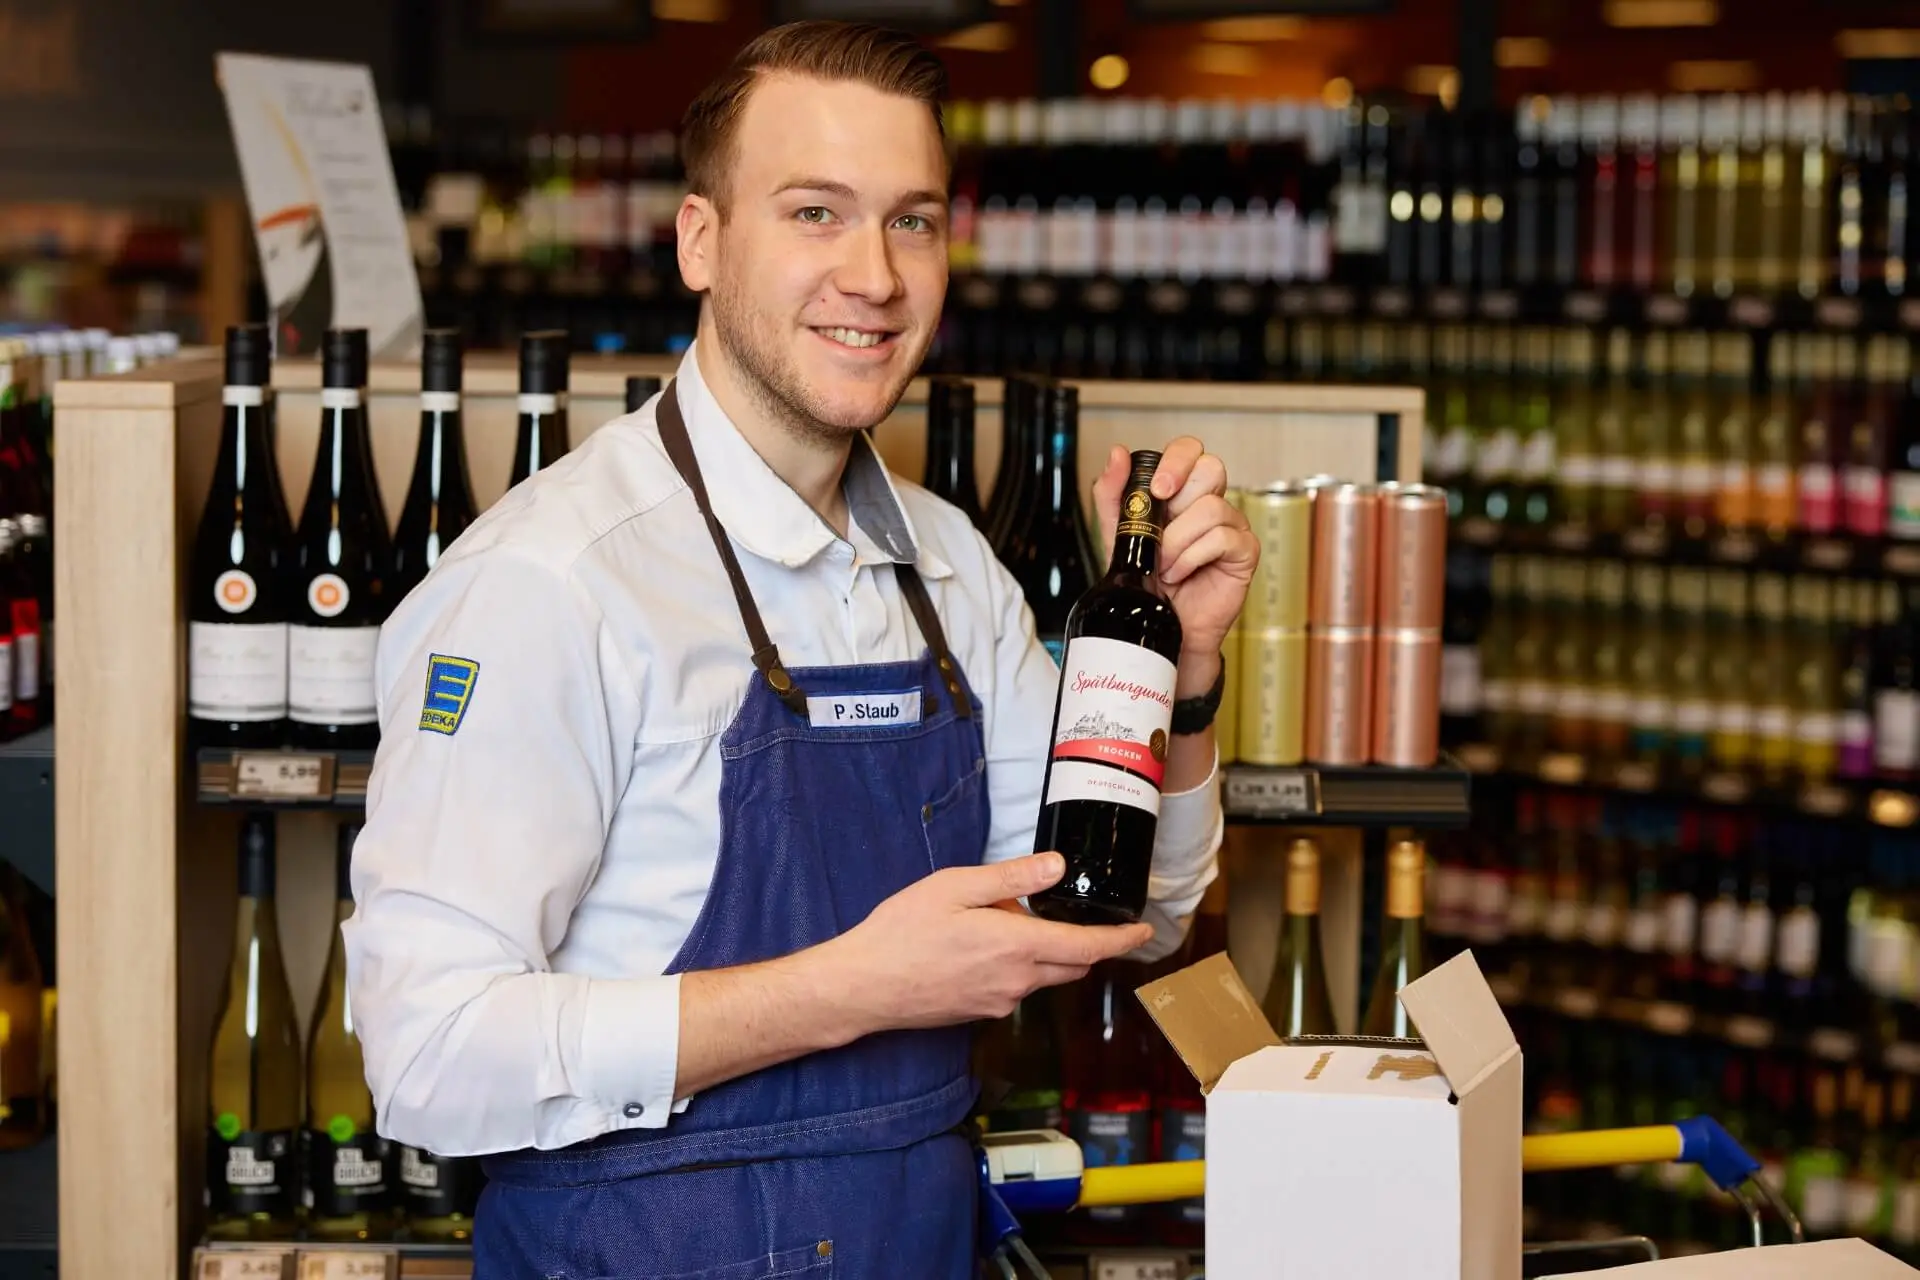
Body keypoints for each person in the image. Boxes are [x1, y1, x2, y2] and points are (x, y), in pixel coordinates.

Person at [342, 20, 1259, 1279]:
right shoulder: (552, 585)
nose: (874, 275)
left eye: (913, 220)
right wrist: (851, 985)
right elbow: (428, 1053)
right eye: (816, 212)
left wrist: (1184, 674)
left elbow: (1133, 913)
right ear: (700, 241)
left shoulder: (952, 575)